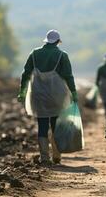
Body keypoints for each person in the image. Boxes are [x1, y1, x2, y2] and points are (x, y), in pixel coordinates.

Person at [17, 30, 78, 166]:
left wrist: (22, 91)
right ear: (57, 41)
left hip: (39, 96)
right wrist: (74, 92)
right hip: (57, 96)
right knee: (56, 125)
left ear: (46, 41)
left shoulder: (34, 54)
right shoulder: (62, 55)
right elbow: (68, 76)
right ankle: (56, 155)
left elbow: (25, 74)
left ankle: (44, 157)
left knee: (42, 126)